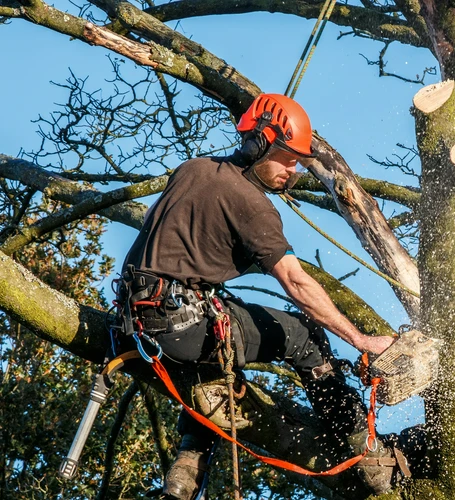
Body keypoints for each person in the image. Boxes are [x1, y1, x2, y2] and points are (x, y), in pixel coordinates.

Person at [117, 94, 407, 499]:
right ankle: (368, 454)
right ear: (260, 144)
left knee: (216, 369)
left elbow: (154, 224)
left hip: (132, 324)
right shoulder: (252, 205)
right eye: (288, 158)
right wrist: (361, 340)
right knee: (303, 335)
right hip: (182, 325)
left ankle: (183, 478)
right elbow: (296, 282)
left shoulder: (191, 170)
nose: (293, 170)